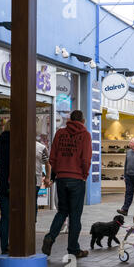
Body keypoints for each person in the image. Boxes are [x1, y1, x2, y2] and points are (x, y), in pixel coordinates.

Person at [42, 110, 92, 258]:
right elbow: (86, 159)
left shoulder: (60, 133)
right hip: (77, 179)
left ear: (70, 119)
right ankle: (73, 249)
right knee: (75, 216)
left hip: (62, 178)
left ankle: (50, 237)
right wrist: (84, 175)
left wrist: (55, 175)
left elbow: (53, 157)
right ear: (83, 120)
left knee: (62, 211)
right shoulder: (85, 135)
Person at [0, 121, 10, 254]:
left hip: (1, 182)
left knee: (5, 217)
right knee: (16, 215)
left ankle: (4, 246)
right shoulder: (16, 141)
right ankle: (15, 243)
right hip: (14, 183)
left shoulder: (0, 141)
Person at [36, 140, 52, 222]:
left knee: (32, 201)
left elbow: (48, 163)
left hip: (35, 179)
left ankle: (32, 222)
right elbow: (48, 164)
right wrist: (47, 178)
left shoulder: (41, 147)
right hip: (35, 179)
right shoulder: (41, 147)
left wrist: (47, 177)